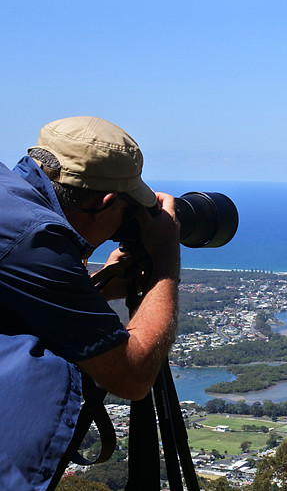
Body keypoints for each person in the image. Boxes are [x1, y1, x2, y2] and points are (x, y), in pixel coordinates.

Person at [0, 116, 181, 490]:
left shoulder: (9, 203)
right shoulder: (34, 239)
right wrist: (165, 262)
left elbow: (20, 302)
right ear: (106, 202)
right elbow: (132, 376)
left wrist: (93, 284)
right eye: (128, 212)